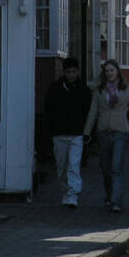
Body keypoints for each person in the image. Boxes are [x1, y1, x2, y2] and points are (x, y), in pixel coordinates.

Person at [83, 59, 129, 212]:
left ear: (117, 71)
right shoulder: (99, 91)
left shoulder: (128, 90)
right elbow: (92, 113)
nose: (109, 73)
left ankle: (116, 201)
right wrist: (86, 132)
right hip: (103, 132)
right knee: (105, 169)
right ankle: (109, 195)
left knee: (116, 168)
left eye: (112, 70)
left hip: (121, 133)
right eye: (106, 71)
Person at [41, 57, 92, 208]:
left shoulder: (83, 90)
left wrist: (88, 133)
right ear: (64, 72)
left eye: (74, 72)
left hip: (77, 134)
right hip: (59, 133)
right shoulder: (55, 89)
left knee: (74, 165)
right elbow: (49, 111)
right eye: (69, 72)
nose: (71, 75)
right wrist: (48, 132)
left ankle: (73, 194)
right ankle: (66, 190)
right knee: (62, 166)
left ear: (78, 71)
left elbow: (88, 112)